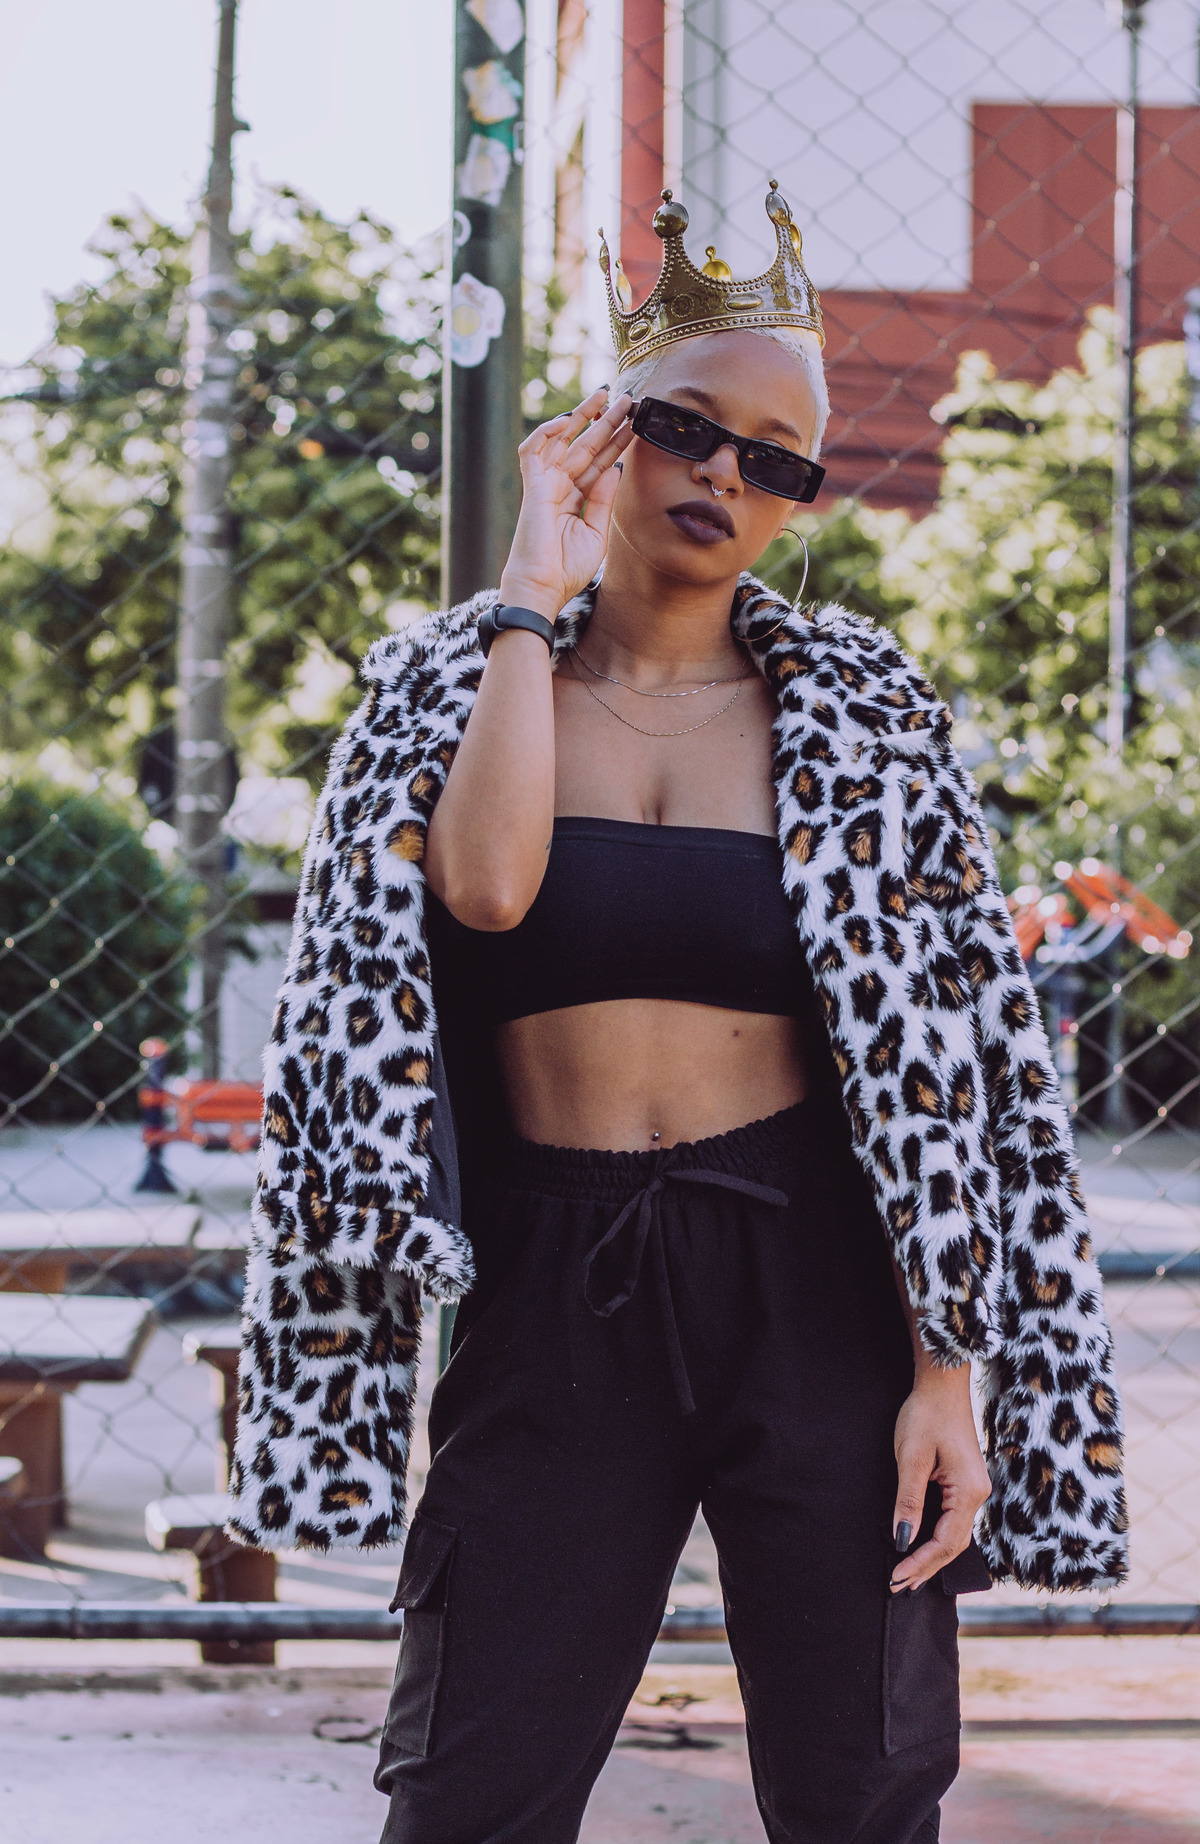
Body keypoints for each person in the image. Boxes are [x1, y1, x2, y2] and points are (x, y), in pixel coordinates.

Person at [230, 185, 1127, 1844]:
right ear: (604, 429)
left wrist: (947, 1368)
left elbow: (964, 1070)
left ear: (799, 499)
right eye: (684, 427)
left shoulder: (864, 713)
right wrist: (529, 593)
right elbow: (483, 889)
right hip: (555, 1280)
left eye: (776, 460)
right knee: (469, 1787)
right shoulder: (446, 686)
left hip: (816, 1281)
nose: (724, 474)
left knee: (862, 1786)